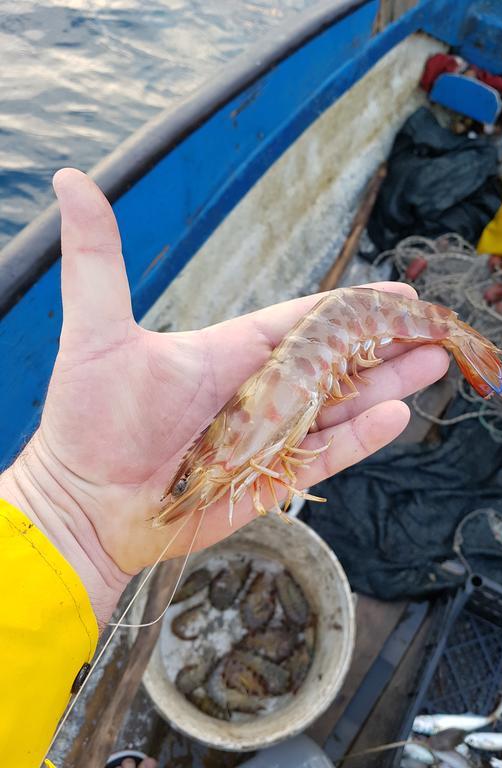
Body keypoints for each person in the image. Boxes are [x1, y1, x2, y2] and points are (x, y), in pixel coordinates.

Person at [0, 169, 449, 767]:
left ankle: (450, 336)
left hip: (342, 339)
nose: (184, 487)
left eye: (185, 479)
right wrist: (64, 524)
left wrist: (60, 525)